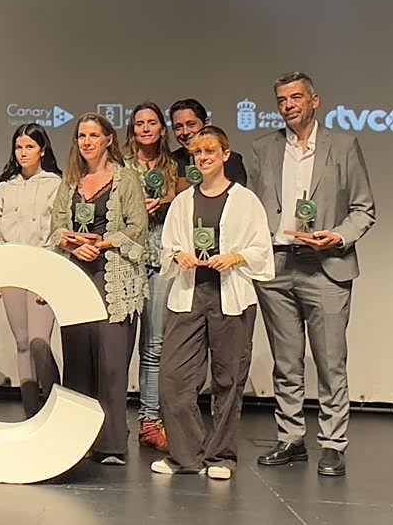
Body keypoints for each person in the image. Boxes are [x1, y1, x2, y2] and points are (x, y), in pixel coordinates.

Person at [248, 73, 376, 478]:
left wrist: (337, 236)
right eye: (282, 99)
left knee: (330, 361)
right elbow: (255, 206)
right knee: (287, 362)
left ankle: (333, 444)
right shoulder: (263, 147)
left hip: (326, 265)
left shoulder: (342, 144)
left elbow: (363, 208)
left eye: (296, 97)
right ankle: (290, 439)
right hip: (278, 264)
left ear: (315, 101)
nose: (289, 104)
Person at [153, 126, 274, 479]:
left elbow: (260, 248)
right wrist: (179, 256)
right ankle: (184, 454)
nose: (203, 158)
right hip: (189, 296)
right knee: (174, 378)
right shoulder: (182, 201)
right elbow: (169, 247)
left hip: (230, 297)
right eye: (197, 153)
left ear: (225, 155)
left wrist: (235, 257)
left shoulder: (245, 200)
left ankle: (221, 457)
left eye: (210, 151)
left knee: (228, 378)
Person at [49, 112, 147, 465]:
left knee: (110, 364)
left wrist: (102, 244)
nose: (86, 142)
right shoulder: (70, 181)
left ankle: (111, 444)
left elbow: (138, 227)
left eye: (93, 135)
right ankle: (79, 440)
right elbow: (57, 226)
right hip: (76, 275)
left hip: (114, 278)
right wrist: (74, 245)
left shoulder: (127, 180)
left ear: (108, 140)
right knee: (77, 361)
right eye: (81, 136)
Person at [0, 123, 63, 418]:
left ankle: (56, 407)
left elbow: (59, 231)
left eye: (30, 146)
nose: (23, 152)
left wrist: (54, 278)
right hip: (12, 272)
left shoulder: (56, 185)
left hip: (44, 270)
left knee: (38, 342)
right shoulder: (4, 188)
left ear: (42, 149)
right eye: (19, 147)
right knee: (21, 344)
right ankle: (32, 413)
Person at [122, 102, 179, 451]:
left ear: (162, 129)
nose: (145, 128)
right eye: (139, 123)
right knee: (120, 346)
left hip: (161, 258)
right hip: (127, 260)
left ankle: (149, 420)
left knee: (154, 345)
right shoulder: (121, 167)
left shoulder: (175, 167)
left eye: (152, 123)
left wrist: (168, 200)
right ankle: (111, 423)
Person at [169, 98, 248, 185]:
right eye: (178, 127)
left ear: (206, 123)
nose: (185, 132)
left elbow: (238, 194)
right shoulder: (171, 161)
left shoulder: (229, 159)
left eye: (191, 124)